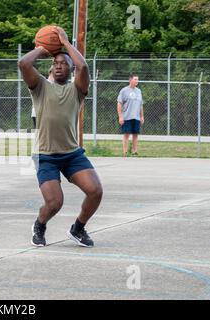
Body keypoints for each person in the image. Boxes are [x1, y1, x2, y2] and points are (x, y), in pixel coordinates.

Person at [18, 26, 103, 248]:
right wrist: (43, 48)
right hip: (45, 154)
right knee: (55, 203)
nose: (58, 66)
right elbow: (23, 64)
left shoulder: (77, 89)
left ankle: (78, 228)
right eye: (55, 64)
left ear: (71, 69)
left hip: (71, 154)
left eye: (63, 63)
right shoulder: (41, 87)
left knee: (96, 191)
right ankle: (40, 224)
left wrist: (65, 43)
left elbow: (83, 65)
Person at [117, 73, 144, 156]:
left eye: (137, 79)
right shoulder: (124, 90)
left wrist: (142, 116)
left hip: (136, 117)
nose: (137, 81)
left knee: (135, 135)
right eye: (135, 79)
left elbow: (141, 105)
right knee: (126, 134)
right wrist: (120, 116)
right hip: (127, 117)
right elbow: (119, 104)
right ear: (130, 80)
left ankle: (135, 152)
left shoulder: (139, 91)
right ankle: (125, 152)